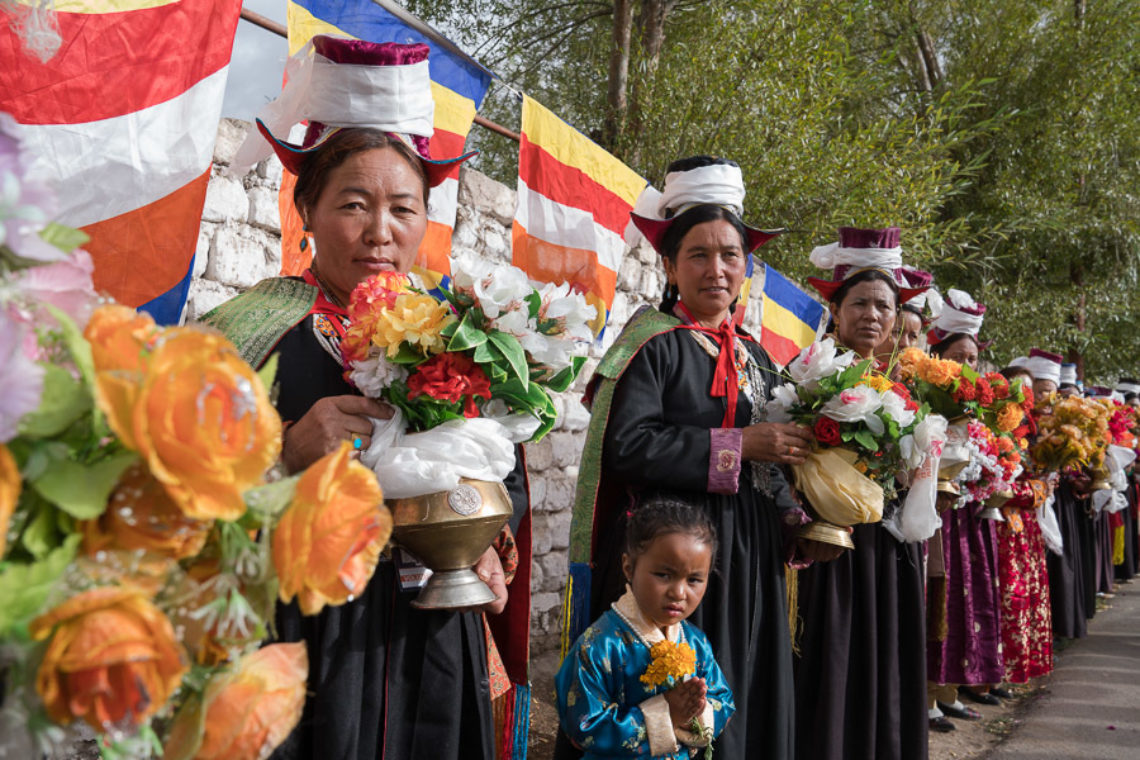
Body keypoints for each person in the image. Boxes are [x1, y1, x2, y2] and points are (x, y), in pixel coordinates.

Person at [201, 36, 528, 760]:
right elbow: (180, 493)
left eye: (404, 208)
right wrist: (282, 453)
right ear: (307, 207)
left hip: (432, 633)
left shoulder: (461, 335)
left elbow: (505, 468)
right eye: (354, 203)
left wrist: (485, 544)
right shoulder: (244, 336)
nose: (382, 231)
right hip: (301, 634)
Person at [563, 156, 822, 760]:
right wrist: (736, 445)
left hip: (748, 554)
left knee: (746, 679)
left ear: (747, 266)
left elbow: (772, 461)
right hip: (671, 560)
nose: (716, 269)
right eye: (698, 255)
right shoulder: (650, 343)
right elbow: (626, 447)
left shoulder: (759, 358)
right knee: (679, 689)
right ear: (669, 265)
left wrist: (795, 518)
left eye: (730, 254)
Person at [793, 226, 932, 760]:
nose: (872, 316)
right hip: (828, 551)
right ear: (835, 310)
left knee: (885, 658)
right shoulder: (807, 375)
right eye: (860, 303)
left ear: (897, 318)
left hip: (889, 550)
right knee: (831, 658)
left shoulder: (910, 390)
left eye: (883, 306)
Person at [556, 497, 735, 758]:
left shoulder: (694, 641)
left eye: (694, 579)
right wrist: (665, 713)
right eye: (664, 575)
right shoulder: (599, 645)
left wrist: (699, 710)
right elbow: (584, 727)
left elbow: (724, 700)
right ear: (629, 567)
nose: (679, 592)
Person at [922, 290, 1006, 729]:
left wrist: (994, 472)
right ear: (937, 356)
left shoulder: (977, 403)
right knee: (939, 600)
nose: (967, 368)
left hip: (967, 518)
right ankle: (928, 694)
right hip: (937, 517)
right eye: (959, 357)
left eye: (974, 359)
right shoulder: (925, 393)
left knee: (966, 603)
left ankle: (955, 685)